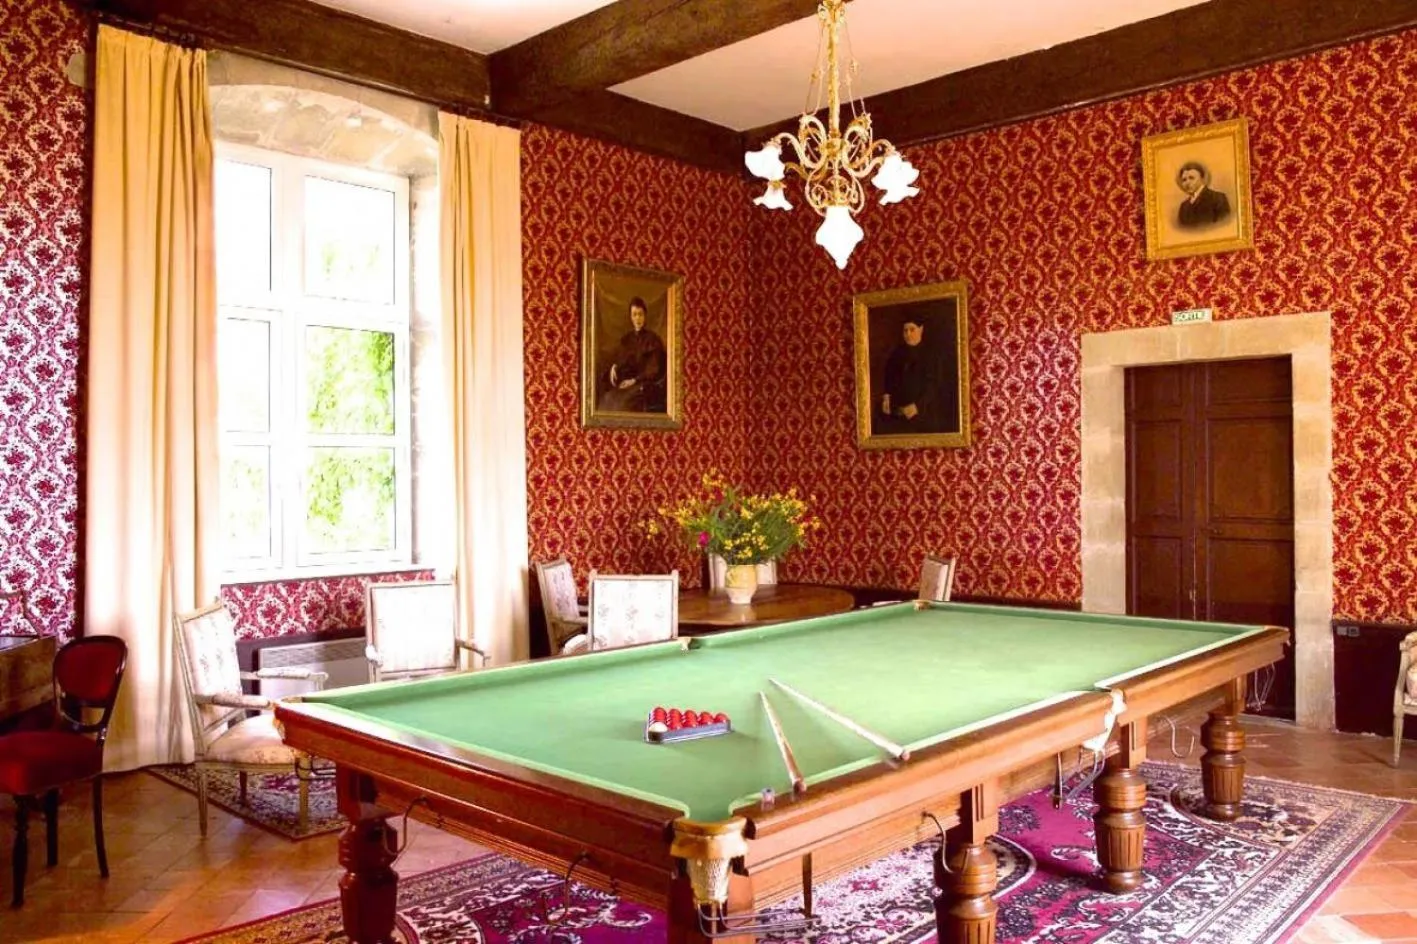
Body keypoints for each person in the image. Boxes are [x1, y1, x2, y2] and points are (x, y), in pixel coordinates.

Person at [878, 315, 952, 434]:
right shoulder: (897, 353)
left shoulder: (932, 354)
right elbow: (889, 377)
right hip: (899, 413)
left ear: (921, 329)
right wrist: (886, 398)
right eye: (905, 330)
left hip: (924, 413)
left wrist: (918, 406)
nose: (908, 334)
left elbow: (935, 385)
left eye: (912, 329)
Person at [598, 296, 667, 413]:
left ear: (645, 316)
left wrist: (634, 380)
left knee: (623, 404)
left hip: (644, 384)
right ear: (631, 317)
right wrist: (614, 366)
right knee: (608, 398)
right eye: (634, 314)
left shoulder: (653, 340)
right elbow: (621, 359)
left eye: (640, 314)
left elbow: (653, 370)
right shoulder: (627, 339)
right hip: (628, 383)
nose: (638, 318)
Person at [1175, 161, 1231, 229]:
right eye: (1184, 180)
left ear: (1202, 179)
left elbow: (1225, 227)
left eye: (1191, 178)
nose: (1187, 183)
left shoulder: (1218, 198)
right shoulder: (1183, 206)